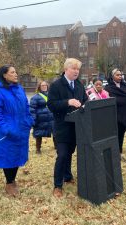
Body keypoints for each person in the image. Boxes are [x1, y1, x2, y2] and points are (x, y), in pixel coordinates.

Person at [0, 65, 34, 197]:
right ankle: (9, 183)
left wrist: (29, 120)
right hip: (8, 129)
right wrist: (6, 128)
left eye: (16, 72)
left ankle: (13, 180)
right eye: (12, 72)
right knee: (8, 155)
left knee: (18, 154)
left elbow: (26, 106)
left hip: (21, 127)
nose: (16, 74)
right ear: (4, 75)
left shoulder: (19, 88)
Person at [47, 58, 88, 198]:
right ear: (66, 69)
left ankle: (67, 176)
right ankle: (57, 186)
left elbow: (85, 101)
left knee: (70, 153)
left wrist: (87, 105)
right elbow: (51, 105)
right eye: (74, 69)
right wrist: (68, 102)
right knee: (62, 155)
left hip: (76, 127)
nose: (76, 71)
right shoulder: (56, 85)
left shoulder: (79, 85)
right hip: (62, 127)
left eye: (78, 69)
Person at [104, 68, 126, 154]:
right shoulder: (108, 88)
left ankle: (119, 153)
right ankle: (113, 153)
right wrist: (123, 100)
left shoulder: (124, 86)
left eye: (121, 75)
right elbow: (110, 100)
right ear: (112, 76)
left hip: (124, 116)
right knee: (114, 135)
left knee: (121, 134)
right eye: (117, 75)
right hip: (114, 116)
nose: (120, 77)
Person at [30, 81, 55, 154]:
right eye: (42, 85)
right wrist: (33, 119)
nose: (44, 87)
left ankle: (56, 147)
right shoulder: (35, 97)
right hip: (40, 119)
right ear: (39, 87)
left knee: (55, 132)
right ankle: (38, 149)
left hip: (51, 118)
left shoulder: (51, 96)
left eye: (45, 85)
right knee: (39, 134)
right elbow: (32, 109)